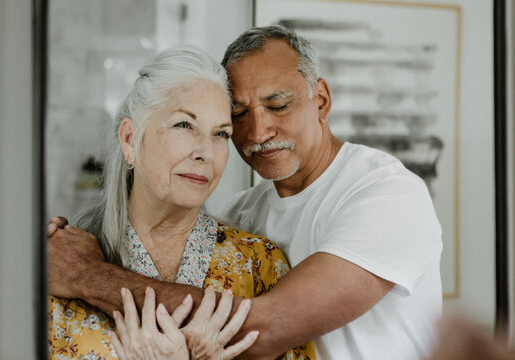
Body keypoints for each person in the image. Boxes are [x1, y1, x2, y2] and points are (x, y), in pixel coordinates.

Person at [48, 26, 443, 360]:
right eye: (237, 117)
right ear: (130, 140)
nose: (256, 132)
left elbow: (263, 328)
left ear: (320, 100)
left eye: (278, 105)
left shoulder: (385, 195)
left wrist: (86, 275)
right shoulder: (243, 216)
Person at [46, 46, 315, 359]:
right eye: (184, 125)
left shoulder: (260, 267)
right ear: (130, 139)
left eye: (221, 134)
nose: (206, 151)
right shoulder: (57, 264)